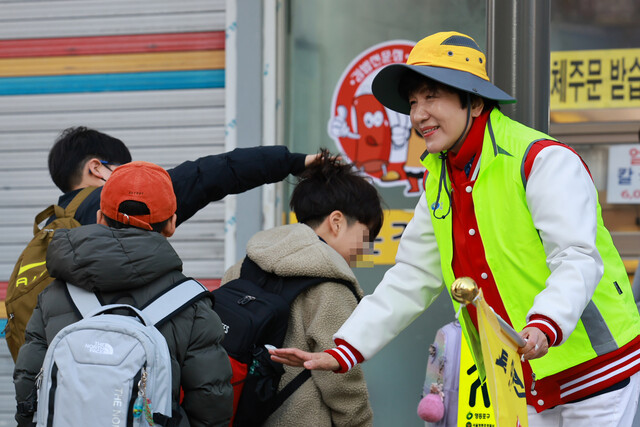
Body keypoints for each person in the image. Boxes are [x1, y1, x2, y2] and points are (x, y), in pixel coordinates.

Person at [270, 31, 640, 426]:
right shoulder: (439, 179)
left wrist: (544, 324)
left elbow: (578, 258)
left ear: (475, 101)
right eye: (413, 102)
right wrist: (343, 349)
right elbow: (413, 276)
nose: (418, 115)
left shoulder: (542, 160)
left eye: (432, 96)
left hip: (597, 369)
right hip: (518, 376)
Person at [13, 161, 233, 427]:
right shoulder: (191, 304)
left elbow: (28, 382)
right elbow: (211, 403)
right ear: (172, 224)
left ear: (99, 217)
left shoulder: (56, 293)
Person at [223, 150, 380, 426]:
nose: (364, 251)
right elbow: (342, 382)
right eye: (365, 237)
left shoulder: (244, 266)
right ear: (336, 222)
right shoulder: (331, 285)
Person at [46, 126, 320, 226]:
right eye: (123, 168)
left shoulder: (51, 226)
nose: (130, 176)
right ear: (96, 168)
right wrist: (292, 162)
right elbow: (208, 174)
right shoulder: (115, 201)